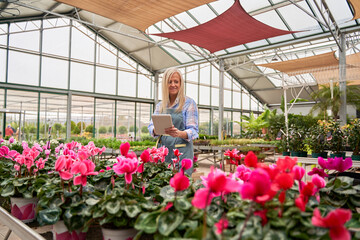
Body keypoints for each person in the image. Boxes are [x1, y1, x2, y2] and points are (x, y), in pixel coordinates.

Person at [148, 68, 199, 175]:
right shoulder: (160, 105)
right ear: (165, 84)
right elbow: (151, 125)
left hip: (182, 152)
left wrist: (179, 133)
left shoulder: (188, 103)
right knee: (163, 183)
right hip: (164, 152)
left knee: (181, 185)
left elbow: (193, 131)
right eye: (169, 82)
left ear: (181, 84)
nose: (173, 85)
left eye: (176, 81)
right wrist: (156, 130)